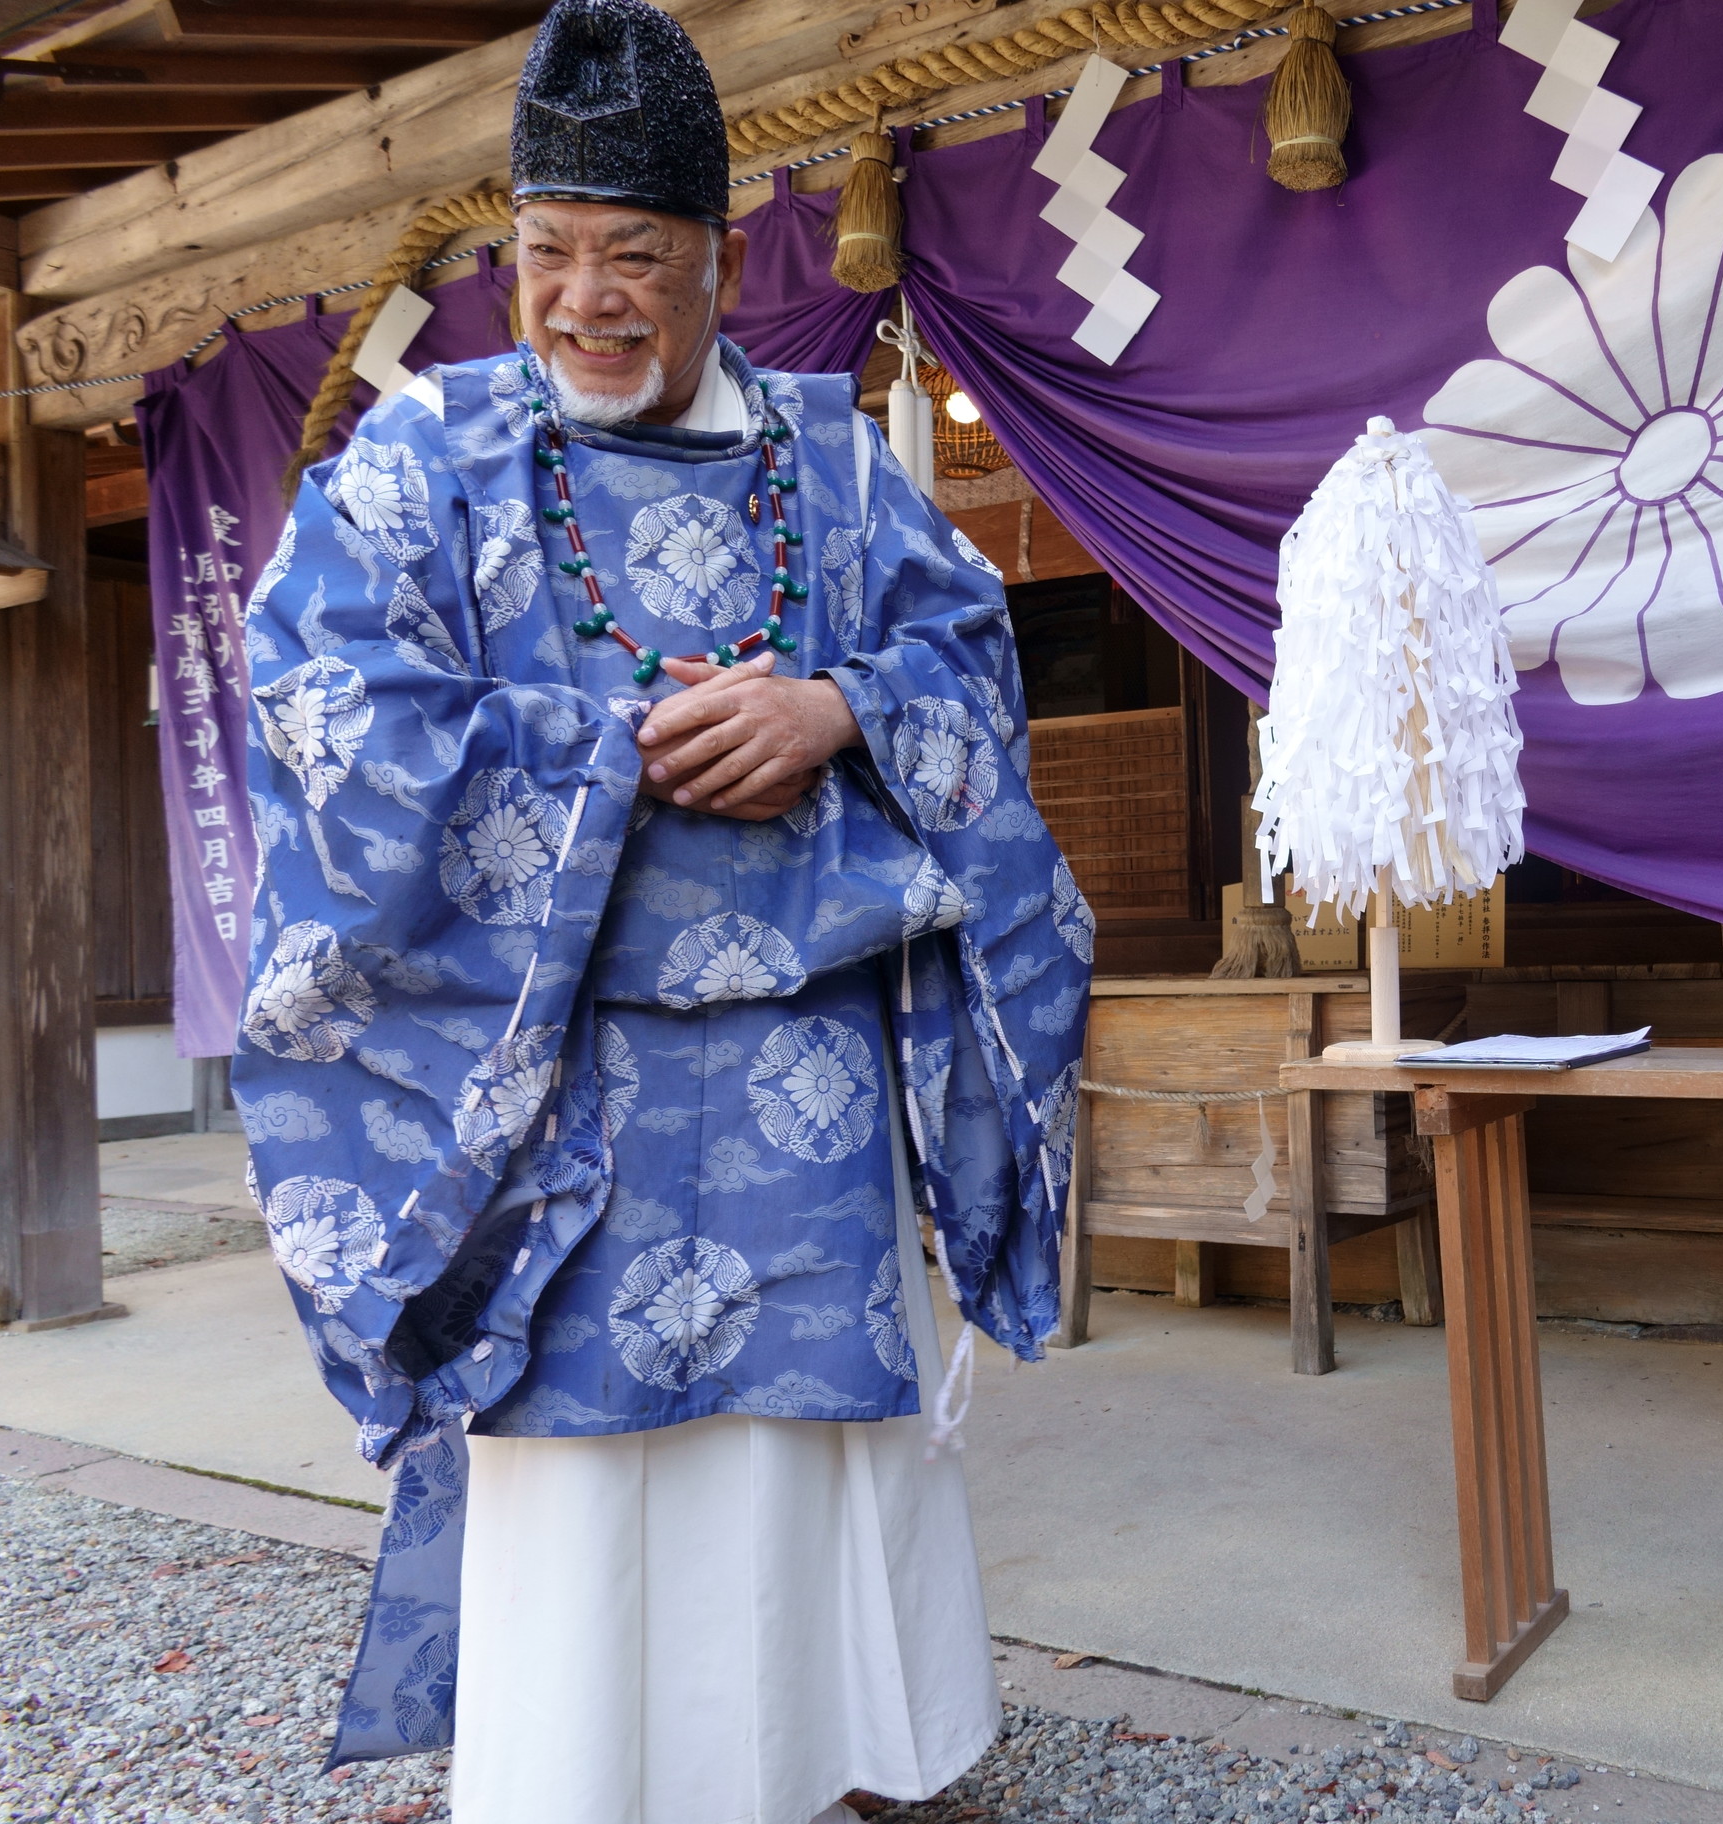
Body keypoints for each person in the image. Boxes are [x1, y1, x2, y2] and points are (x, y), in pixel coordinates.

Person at [227, 3, 1090, 1818]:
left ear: (721, 260)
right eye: (548, 254)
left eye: (637, 256)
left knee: (801, 1455)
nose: (588, 299)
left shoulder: (836, 467)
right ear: (510, 258)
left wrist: (835, 710)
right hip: (559, 1088)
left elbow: (970, 665)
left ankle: (832, 1768)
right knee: (586, 1473)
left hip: (810, 1083)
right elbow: (326, 716)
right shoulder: (418, 467)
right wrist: (621, 758)